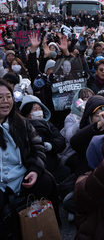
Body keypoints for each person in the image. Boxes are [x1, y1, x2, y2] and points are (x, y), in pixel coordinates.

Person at [0, 79, 58, 238]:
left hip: (21, 176)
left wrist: (34, 170)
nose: (5, 101)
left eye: (8, 97)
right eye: (0, 97)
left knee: (46, 180)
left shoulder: (23, 124)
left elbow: (37, 148)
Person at [19, 95, 69, 184]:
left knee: (65, 171)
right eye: (35, 109)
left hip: (54, 165)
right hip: (35, 168)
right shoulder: (22, 127)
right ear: (26, 112)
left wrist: (51, 146)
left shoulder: (48, 125)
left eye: (40, 108)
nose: (38, 111)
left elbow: (61, 140)